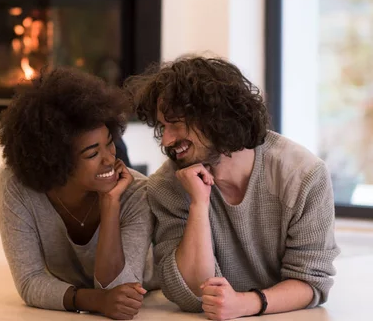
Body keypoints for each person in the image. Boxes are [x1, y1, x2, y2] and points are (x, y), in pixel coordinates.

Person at [125, 55, 340, 320]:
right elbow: (192, 294)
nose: (167, 139)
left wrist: (246, 303)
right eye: (162, 127)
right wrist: (199, 205)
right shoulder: (168, 185)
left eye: (176, 125)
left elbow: (311, 282)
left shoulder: (303, 175)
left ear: (217, 118)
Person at [0, 67, 157, 320]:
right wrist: (93, 300)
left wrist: (110, 202)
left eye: (110, 142)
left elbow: (119, 292)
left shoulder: (136, 192)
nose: (109, 159)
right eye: (92, 154)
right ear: (55, 160)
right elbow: (29, 282)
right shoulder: (17, 184)